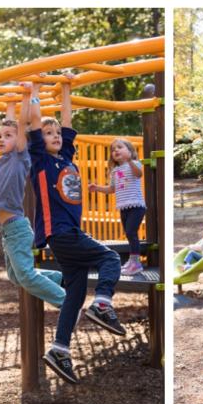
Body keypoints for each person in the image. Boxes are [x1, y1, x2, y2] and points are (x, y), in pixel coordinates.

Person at [26, 75, 124, 384]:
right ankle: (104, 302)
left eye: (56, 133)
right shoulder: (40, 160)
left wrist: (66, 90)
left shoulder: (66, 156)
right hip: (62, 233)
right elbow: (33, 123)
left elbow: (68, 123)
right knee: (110, 259)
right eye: (48, 132)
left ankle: (59, 349)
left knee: (74, 294)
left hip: (66, 236)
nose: (55, 136)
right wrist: (36, 92)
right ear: (39, 140)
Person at [0, 81, 66, 308]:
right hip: (7, 230)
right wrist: (11, 104)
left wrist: (27, 95)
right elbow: (11, 124)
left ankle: (66, 301)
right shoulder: (4, 159)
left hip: (16, 228)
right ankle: (62, 279)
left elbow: (20, 125)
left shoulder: (19, 156)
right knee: (16, 276)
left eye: (7, 136)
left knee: (25, 276)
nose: (1, 139)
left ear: (19, 140)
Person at [88, 138, 146, 275]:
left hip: (136, 206)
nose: (116, 151)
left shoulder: (135, 164)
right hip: (123, 207)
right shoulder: (115, 171)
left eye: (120, 147)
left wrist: (130, 160)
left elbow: (139, 174)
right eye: (113, 150)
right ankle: (132, 261)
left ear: (130, 151)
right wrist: (97, 188)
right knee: (128, 233)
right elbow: (112, 189)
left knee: (131, 232)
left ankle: (136, 263)